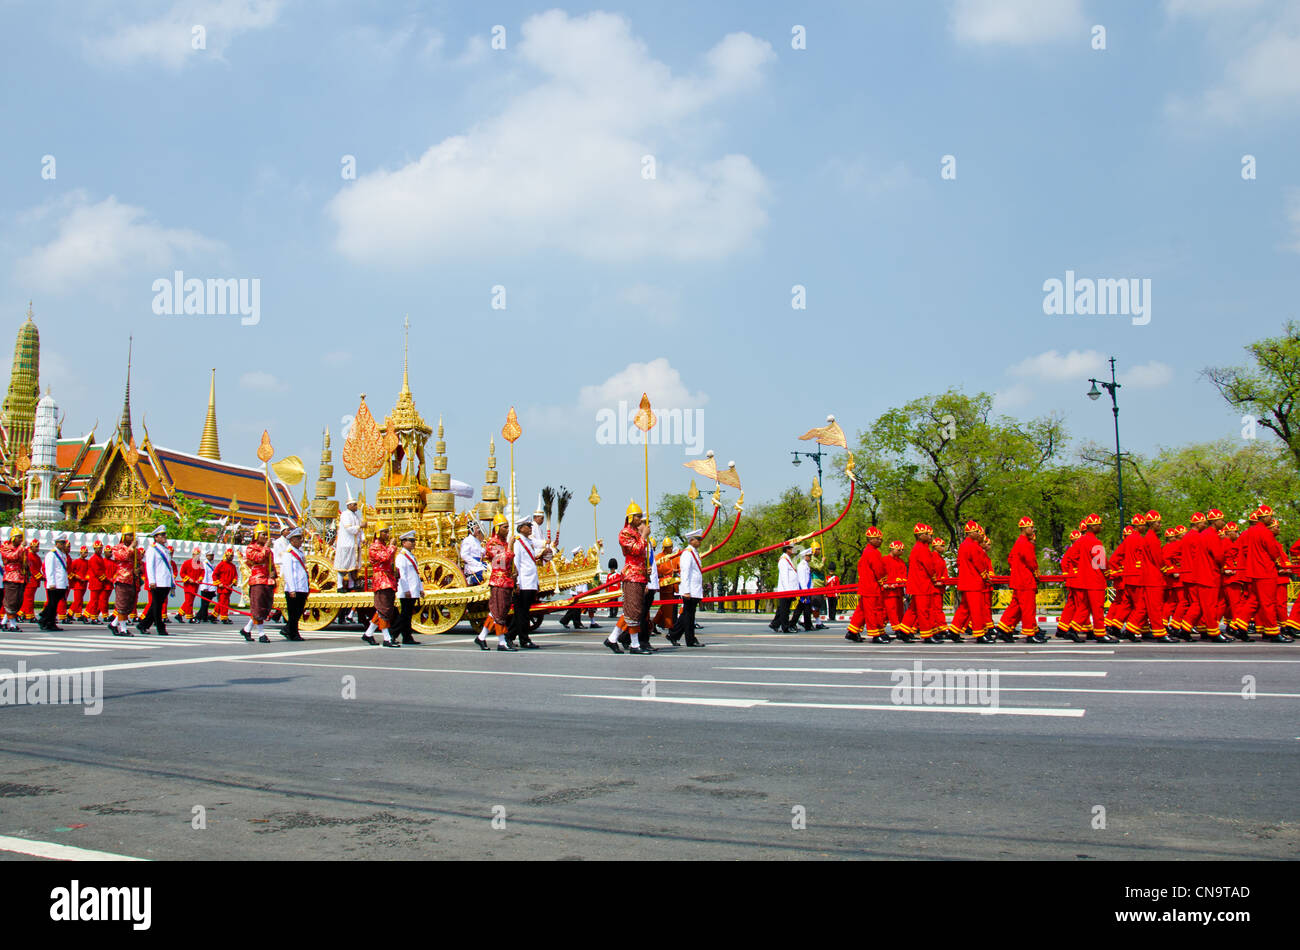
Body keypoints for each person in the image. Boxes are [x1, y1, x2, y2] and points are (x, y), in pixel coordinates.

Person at [605, 501, 651, 654]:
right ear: (631, 518)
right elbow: (636, 550)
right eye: (638, 517)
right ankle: (634, 644)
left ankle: (613, 639)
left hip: (639, 576)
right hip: (631, 575)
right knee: (633, 611)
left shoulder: (636, 534)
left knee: (632, 611)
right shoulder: (625, 533)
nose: (641, 519)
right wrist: (644, 536)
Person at [995, 516, 1045, 643]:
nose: (1033, 530)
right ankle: (1030, 633)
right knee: (1028, 608)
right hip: (1025, 580)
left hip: (1019, 579)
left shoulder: (1019, 542)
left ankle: (1004, 628)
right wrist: (1036, 573)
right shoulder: (1025, 543)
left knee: (1015, 606)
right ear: (1024, 528)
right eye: (1031, 527)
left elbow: (1011, 559)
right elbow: (1031, 561)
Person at [477, 513, 514, 650]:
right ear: (497, 528)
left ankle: (481, 637)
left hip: (507, 580)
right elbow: (502, 561)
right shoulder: (493, 543)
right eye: (505, 527)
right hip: (499, 581)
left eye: (508, 527)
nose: (508, 530)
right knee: (499, 612)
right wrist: (510, 546)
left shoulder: (503, 543)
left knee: (497, 612)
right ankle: (501, 641)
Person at [845, 525, 888, 643]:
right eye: (878, 539)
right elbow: (879, 570)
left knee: (862, 610)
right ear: (870, 539)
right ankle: (875, 634)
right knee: (873, 611)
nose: (880, 541)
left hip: (866, 586)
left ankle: (853, 632)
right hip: (871, 587)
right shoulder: (873, 552)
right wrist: (883, 581)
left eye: (880, 539)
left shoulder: (867, 551)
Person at [509, 518, 546, 650]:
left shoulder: (528, 542)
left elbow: (538, 549)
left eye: (530, 525)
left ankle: (509, 636)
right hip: (523, 582)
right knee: (522, 613)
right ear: (521, 528)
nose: (530, 528)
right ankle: (524, 639)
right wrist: (517, 583)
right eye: (528, 526)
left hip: (530, 582)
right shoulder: (518, 543)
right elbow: (516, 563)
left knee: (522, 613)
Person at [361, 522, 400, 647]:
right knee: (384, 609)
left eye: (387, 532)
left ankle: (368, 633)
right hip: (381, 579)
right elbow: (385, 558)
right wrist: (392, 547)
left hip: (388, 578)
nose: (387, 534)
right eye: (384, 532)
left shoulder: (383, 546)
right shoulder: (374, 547)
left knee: (384, 609)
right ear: (378, 533)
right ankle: (387, 638)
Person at [240, 524, 277, 643]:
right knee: (258, 607)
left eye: (267, 534)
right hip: (257, 580)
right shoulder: (251, 548)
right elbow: (259, 558)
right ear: (256, 536)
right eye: (263, 534)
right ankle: (261, 633)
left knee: (263, 608)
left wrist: (273, 573)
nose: (266, 537)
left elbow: (271, 564)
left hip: (268, 580)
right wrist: (266, 547)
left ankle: (247, 629)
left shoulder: (269, 550)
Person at [668, 528, 705, 647]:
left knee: (687, 615)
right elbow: (685, 573)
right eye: (698, 539)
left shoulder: (694, 553)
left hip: (694, 589)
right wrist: (686, 591)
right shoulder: (687, 553)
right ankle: (690, 639)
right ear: (691, 540)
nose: (700, 541)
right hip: (690, 590)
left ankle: (673, 634)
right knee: (688, 616)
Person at [137, 526, 174, 636]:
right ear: (156, 537)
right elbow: (150, 567)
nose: (164, 537)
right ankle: (160, 627)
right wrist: (152, 581)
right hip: (157, 582)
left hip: (166, 582)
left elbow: (169, 567)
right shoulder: (152, 550)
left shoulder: (165, 550)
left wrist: (172, 582)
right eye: (162, 535)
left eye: (165, 534)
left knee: (156, 605)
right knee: (157, 607)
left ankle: (143, 625)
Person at [280, 527, 309, 641]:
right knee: (293, 613)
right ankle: (293, 633)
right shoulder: (288, 553)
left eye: (300, 538)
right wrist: (292, 589)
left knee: (298, 611)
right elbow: (288, 572)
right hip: (294, 587)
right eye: (298, 538)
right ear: (292, 540)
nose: (301, 541)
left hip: (302, 587)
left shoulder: (299, 552)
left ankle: (288, 630)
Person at [108, 526, 139, 637]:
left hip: (132, 579)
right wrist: (131, 547)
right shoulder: (117, 548)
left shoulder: (135, 550)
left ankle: (114, 624)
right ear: (123, 536)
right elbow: (123, 556)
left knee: (128, 605)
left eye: (132, 535)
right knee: (122, 604)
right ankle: (123, 629)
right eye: (129, 535)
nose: (131, 537)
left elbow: (139, 561)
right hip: (122, 578)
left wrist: (138, 569)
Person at [333, 486, 365, 591]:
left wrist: (363, 538)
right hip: (346, 544)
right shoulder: (345, 515)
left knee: (353, 566)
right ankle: (339, 586)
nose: (357, 506)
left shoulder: (356, 516)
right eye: (355, 505)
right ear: (349, 505)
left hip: (355, 544)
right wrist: (360, 527)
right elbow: (350, 529)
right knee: (344, 565)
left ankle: (351, 585)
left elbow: (360, 529)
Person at [394, 529, 422, 645]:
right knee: (404, 615)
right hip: (407, 590)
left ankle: (407, 636)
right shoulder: (401, 557)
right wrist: (406, 590)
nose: (413, 543)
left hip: (413, 589)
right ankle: (392, 633)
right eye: (411, 541)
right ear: (404, 542)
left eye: (414, 540)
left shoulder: (410, 556)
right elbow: (402, 575)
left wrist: (420, 589)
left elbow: (416, 573)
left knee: (408, 615)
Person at [38, 535, 70, 632]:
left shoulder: (62, 555)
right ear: (56, 543)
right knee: (52, 604)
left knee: (54, 604)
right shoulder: (51, 555)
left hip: (61, 583)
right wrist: (51, 583)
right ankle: (47, 621)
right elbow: (49, 570)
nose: (63, 545)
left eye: (64, 543)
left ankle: (45, 618)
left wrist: (66, 583)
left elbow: (63, 571)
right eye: (61, 543)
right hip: (54, 584)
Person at [652, 537, 680, 632]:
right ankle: (670, 629)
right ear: (664, 548)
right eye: (668, 547)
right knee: (667, 609)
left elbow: (680, 567)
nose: (670, 549)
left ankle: (653, 623)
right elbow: (659, 570)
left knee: (666, 608)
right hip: (665, 586)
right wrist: (672, 571)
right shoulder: (659, 557)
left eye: (671, 546)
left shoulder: (675, 557)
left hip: (674, 586)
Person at [770, 543, 799, 633]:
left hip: (789, 589)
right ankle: (785, 627)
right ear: (787, 549)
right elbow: (784, 577)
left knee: (782, 609)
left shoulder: (787, 559)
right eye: (792, 548)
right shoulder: (783, 560)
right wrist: (787, 591)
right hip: (786, 590)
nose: (794, 550)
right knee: (785, 610)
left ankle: (775, 624)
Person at [0, 528, 25, 632]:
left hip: (20, 577)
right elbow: (12, 557)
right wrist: (21, 548)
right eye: (19, 538)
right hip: (11, 577)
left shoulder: (21, 548)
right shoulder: (5, 548)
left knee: (18, 602)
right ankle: (13, 625)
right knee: (11, 602)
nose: (21, 540)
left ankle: (4, 622)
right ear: (13, 538)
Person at [560, 547, 590, 629]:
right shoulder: (577, 564)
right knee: (576, 608)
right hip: (578, 589)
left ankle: (565, 620)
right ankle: (576, 623)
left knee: (575, 607)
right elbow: (578, 578)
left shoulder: (577, 564)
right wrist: (580, 590)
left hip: (577, 589)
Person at [882, 540, 907, 635]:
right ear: (892, 549)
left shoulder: (901, 562)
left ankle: (899, 626)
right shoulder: (884, 560)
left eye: (902, 550)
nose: (901, 552)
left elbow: (904, 575)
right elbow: (881, 573)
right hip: (888, 591)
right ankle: (897, 628)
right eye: (899, 550)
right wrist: (885, 584)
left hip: (898, 590)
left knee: (899, 610)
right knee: (891, 610)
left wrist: (902, 582)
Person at [86, 539, 110, 624]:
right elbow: (97, 571)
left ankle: (91, 616)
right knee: (94, 601)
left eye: (101, 548)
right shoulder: (94, 559)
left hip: (99, 583)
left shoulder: (99, 558)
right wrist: (105, 579)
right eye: (98, 548)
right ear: (94, 549)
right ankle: (93, 617)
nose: (100, 550)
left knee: (97, 601)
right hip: (95, 583)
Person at [791, 549, 815, 631]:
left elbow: (809, 579)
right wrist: (805, 591)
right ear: (805, 556)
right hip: (804, 589)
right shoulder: (802, 566)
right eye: (809, 556)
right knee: (804, 607)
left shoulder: (806, 565)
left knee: (802, 607)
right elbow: (802, 580)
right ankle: (806, 624)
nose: (810, 557)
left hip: (807, 589)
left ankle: (797, 623)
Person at [213, 548, 238, 623]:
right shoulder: (221, 564)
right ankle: (224, 617)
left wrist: (233, 583)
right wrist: (218, 583)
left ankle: (213, 615)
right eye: (229, 556)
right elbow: (214, 575)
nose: (231, 557)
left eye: (232, 556)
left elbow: (235, 576)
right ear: (226, 555)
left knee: (222, 602)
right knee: (224, 602)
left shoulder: (233, 566)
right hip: (222, 587)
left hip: (229, 587)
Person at [178, 548, 204, 622]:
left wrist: (200, 579)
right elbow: (182, 573)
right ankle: (190, 617)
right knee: (189, 602)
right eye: (195, 555)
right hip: (188, 585)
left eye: (198, 555)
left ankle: (179, 614)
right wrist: (189, 579)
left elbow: (202, 572)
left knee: (189, 601)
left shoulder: (200, 564)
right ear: (193, 555)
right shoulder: (186, 563)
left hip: (196, 585)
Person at [21, 538, 43, 622]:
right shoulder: (29, 555)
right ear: (31, 547)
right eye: (36, 547)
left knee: (29, 599)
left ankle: (24, 613)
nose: (38, 548)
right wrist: (40, 576)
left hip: (34, 580)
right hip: (30, 580)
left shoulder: (36, 556)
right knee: (28, 599)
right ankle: (28, 615)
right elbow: (32, 569)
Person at [460, 519, 485, 584]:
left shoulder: (477, 540)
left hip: (479, 564)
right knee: (485, 574)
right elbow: (464, 555)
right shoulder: (467, 540)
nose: (478, 530)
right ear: (471, 529)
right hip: (472, 566)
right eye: (476, 528)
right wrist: (475, 563)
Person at [196, 551, 216, 623]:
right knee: (204, 603)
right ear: (207, 556)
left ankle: (203, 616)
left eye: (212, 555)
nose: (212, 557)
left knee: (206, 603)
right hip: (206, 587)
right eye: (210, 555)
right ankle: (199, 616)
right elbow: (205, 576)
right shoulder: (205, 564)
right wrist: (205, 587)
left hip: (211, 587)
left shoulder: (210, 564)